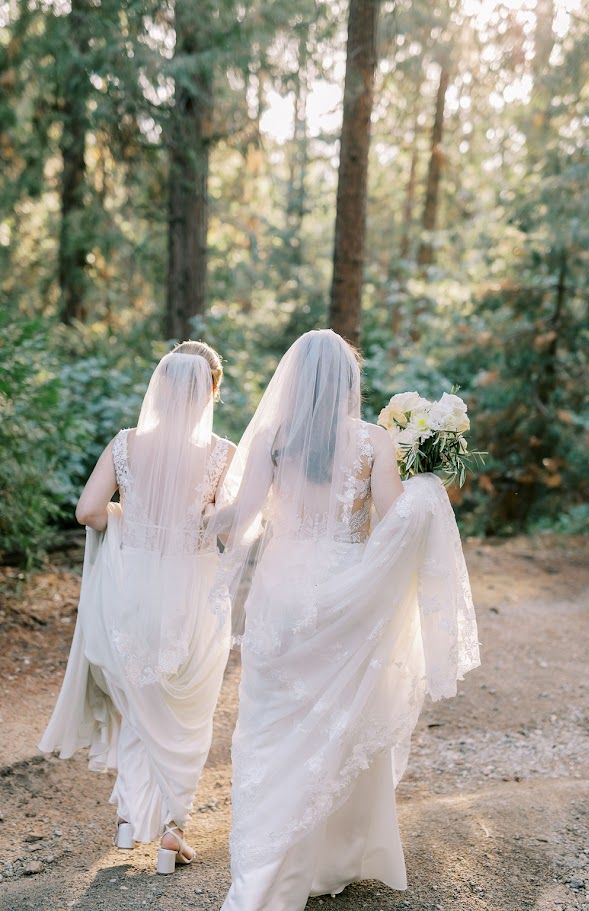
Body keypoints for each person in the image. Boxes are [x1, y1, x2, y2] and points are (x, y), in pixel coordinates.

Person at [209, 329, 480, 911]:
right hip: (344, 596)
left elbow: (243, 517)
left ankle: (266, 868)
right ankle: (329, 858)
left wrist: (197, 523)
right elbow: (389, 522)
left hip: (280, 599)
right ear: (348, 381)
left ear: (295, 379)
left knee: (270, 730)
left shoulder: (273, 439)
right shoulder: (374, 441)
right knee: (340, 720)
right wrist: (426, 489)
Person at [39, 341, 236, 875]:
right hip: (193, 592)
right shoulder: (222, 453)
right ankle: (172, 832)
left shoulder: (126, 444)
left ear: (161, 387)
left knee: (139, 700)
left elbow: (87, 512)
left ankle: (129, 819)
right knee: (186, 712)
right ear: (212, 389)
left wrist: (131, 522)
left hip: (133, 588)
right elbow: (230, 528)